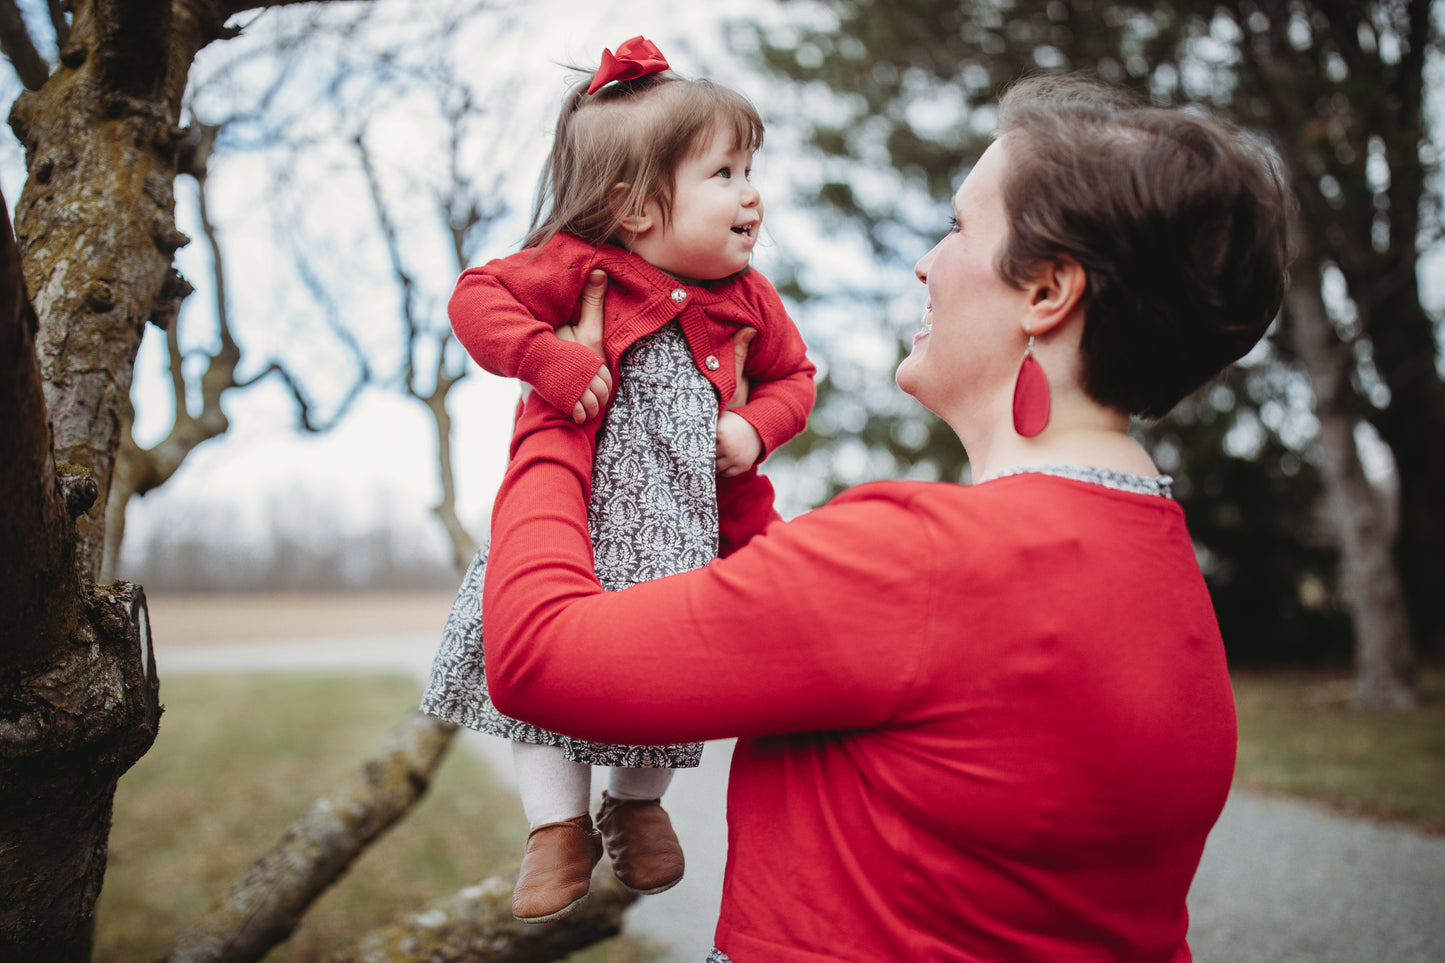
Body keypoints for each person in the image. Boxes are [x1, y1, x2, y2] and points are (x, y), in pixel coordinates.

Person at [478, 73, 1290, 961]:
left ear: (1047, 292)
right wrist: (723, 464)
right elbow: (805, 620)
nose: (923, 264)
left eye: (956, 228)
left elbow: (535, 658)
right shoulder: (1161, 573)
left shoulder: (917, 560)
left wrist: (567, 395)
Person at [419, 36, 815, 924]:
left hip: (680, 534)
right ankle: (554, 827)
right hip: (574, 529)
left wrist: (754, 425)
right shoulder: (577, 267)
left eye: (751, 168)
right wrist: (546, 362)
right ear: (634, 208)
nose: (751, 192)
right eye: (723, 172)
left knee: (677, 673)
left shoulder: (750, 299)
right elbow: (475, 299)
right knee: (536, 676)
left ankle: (636, 804)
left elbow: (796, 378)